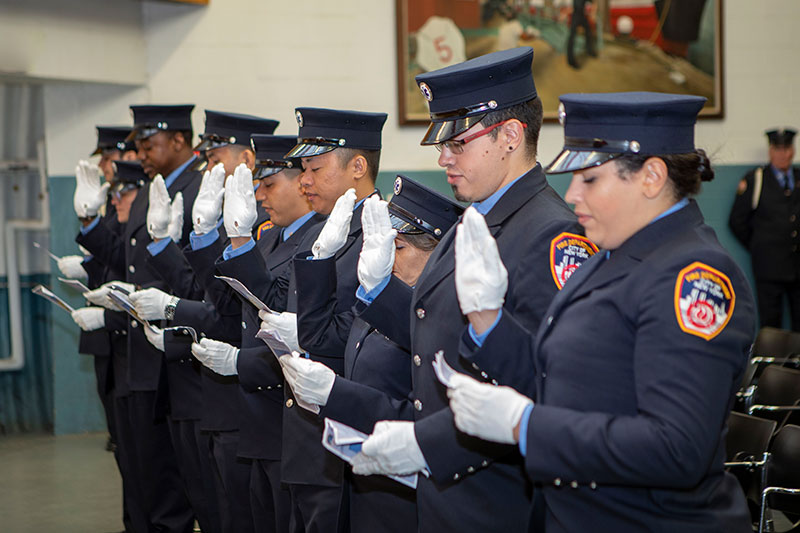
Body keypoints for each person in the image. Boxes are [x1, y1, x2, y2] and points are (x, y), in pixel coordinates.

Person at [444, 91, 756, 533]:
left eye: (589, 178)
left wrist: (525, 425)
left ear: (651, 176)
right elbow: (559, 378)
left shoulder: (695, 275)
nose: (571, 194)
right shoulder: (612, 253)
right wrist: (488, 324)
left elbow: (676, 449)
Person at [348, 47, 592, 533]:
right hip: (447, 492)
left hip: (494, 498)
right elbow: (433, 333)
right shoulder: (476, 215)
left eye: (458, 144)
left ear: (509, 136)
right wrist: (377, 291)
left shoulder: (551, 234)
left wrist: (426, 445)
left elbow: (536, 383)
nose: (443, 158)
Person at [280, 175, 465, 533]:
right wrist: (321, 258)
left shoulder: (442, 317)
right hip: (361, 478)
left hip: (403, 492)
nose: (385, 258)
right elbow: (318, 334)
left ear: (438, 254)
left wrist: (336, 394)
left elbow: (423, 410)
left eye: (398, 249)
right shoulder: (382, 302)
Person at [130, 110, 283, 533]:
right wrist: (180, 242)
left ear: (247, 159)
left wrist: (174, 310)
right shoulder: (230, 214)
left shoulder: (263, 225)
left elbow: (227, 314)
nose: (209, 169)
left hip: (248, 398)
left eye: (217, 158)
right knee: (213, 509)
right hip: (215, 393)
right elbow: (207, 294)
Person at [252, 106, 387, 533]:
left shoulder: (385, 234)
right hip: (306, 434)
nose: (304, 179)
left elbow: (376, 330)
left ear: (358, 167)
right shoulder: (324, 229)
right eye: (303, 168)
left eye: (315, 167)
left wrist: (308, 331)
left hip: (347, 430)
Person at [76, 104, 201, 533]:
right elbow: (129, 259)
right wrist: (90, 225)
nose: (141, 153)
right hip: (136, 354)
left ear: (180, 140)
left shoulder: (199, 186)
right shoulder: (154, 187)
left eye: (149, 144)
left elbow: (194, 280)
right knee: (139, 477)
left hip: (171, 357)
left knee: (167, 489)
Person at [193, 133, 325, 533]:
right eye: (256, 185)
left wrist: (239, 362)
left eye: (268, 184)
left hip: (287, 416)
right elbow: (227, 303)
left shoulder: (318, 238)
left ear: (301, 183)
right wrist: (204, 235)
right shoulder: (270, 237)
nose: (259, 196)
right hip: (257, 419)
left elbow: (278, 309)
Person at [70, 159, 149, 533]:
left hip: (143, 355)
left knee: (153, 465)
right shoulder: (125, 224)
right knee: (129, 455)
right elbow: (116, 264)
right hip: (121, 352)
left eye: (123, 191)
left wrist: (109, 317)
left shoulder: (152, 225)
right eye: (113, 193)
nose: (115, 199)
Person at [729, 128, 800, 330]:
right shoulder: (756, 180)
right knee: (771, 325)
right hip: (769, 269)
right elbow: (737, 221)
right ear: (770, 151)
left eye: (787, 149)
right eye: (778, 149)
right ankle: (773, 363)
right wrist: (759, 245)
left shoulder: (797, 177)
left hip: (797, 267)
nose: (783, 154)